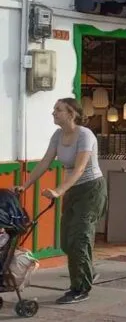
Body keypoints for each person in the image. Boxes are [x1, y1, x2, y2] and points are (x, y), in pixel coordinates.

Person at [18, 98, 107, 305]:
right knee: (67, 240)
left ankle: (80, 288)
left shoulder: (85, 135)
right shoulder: (58, 135)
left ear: (71, 114)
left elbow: (80, 168)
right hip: (72, 190)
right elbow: (45, 162)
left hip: (91, 189)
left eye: (58, 110)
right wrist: (26, 185)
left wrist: (59, 190)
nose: (53, 113)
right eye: (54, 110)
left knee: (80, 238)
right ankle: (88, 272)